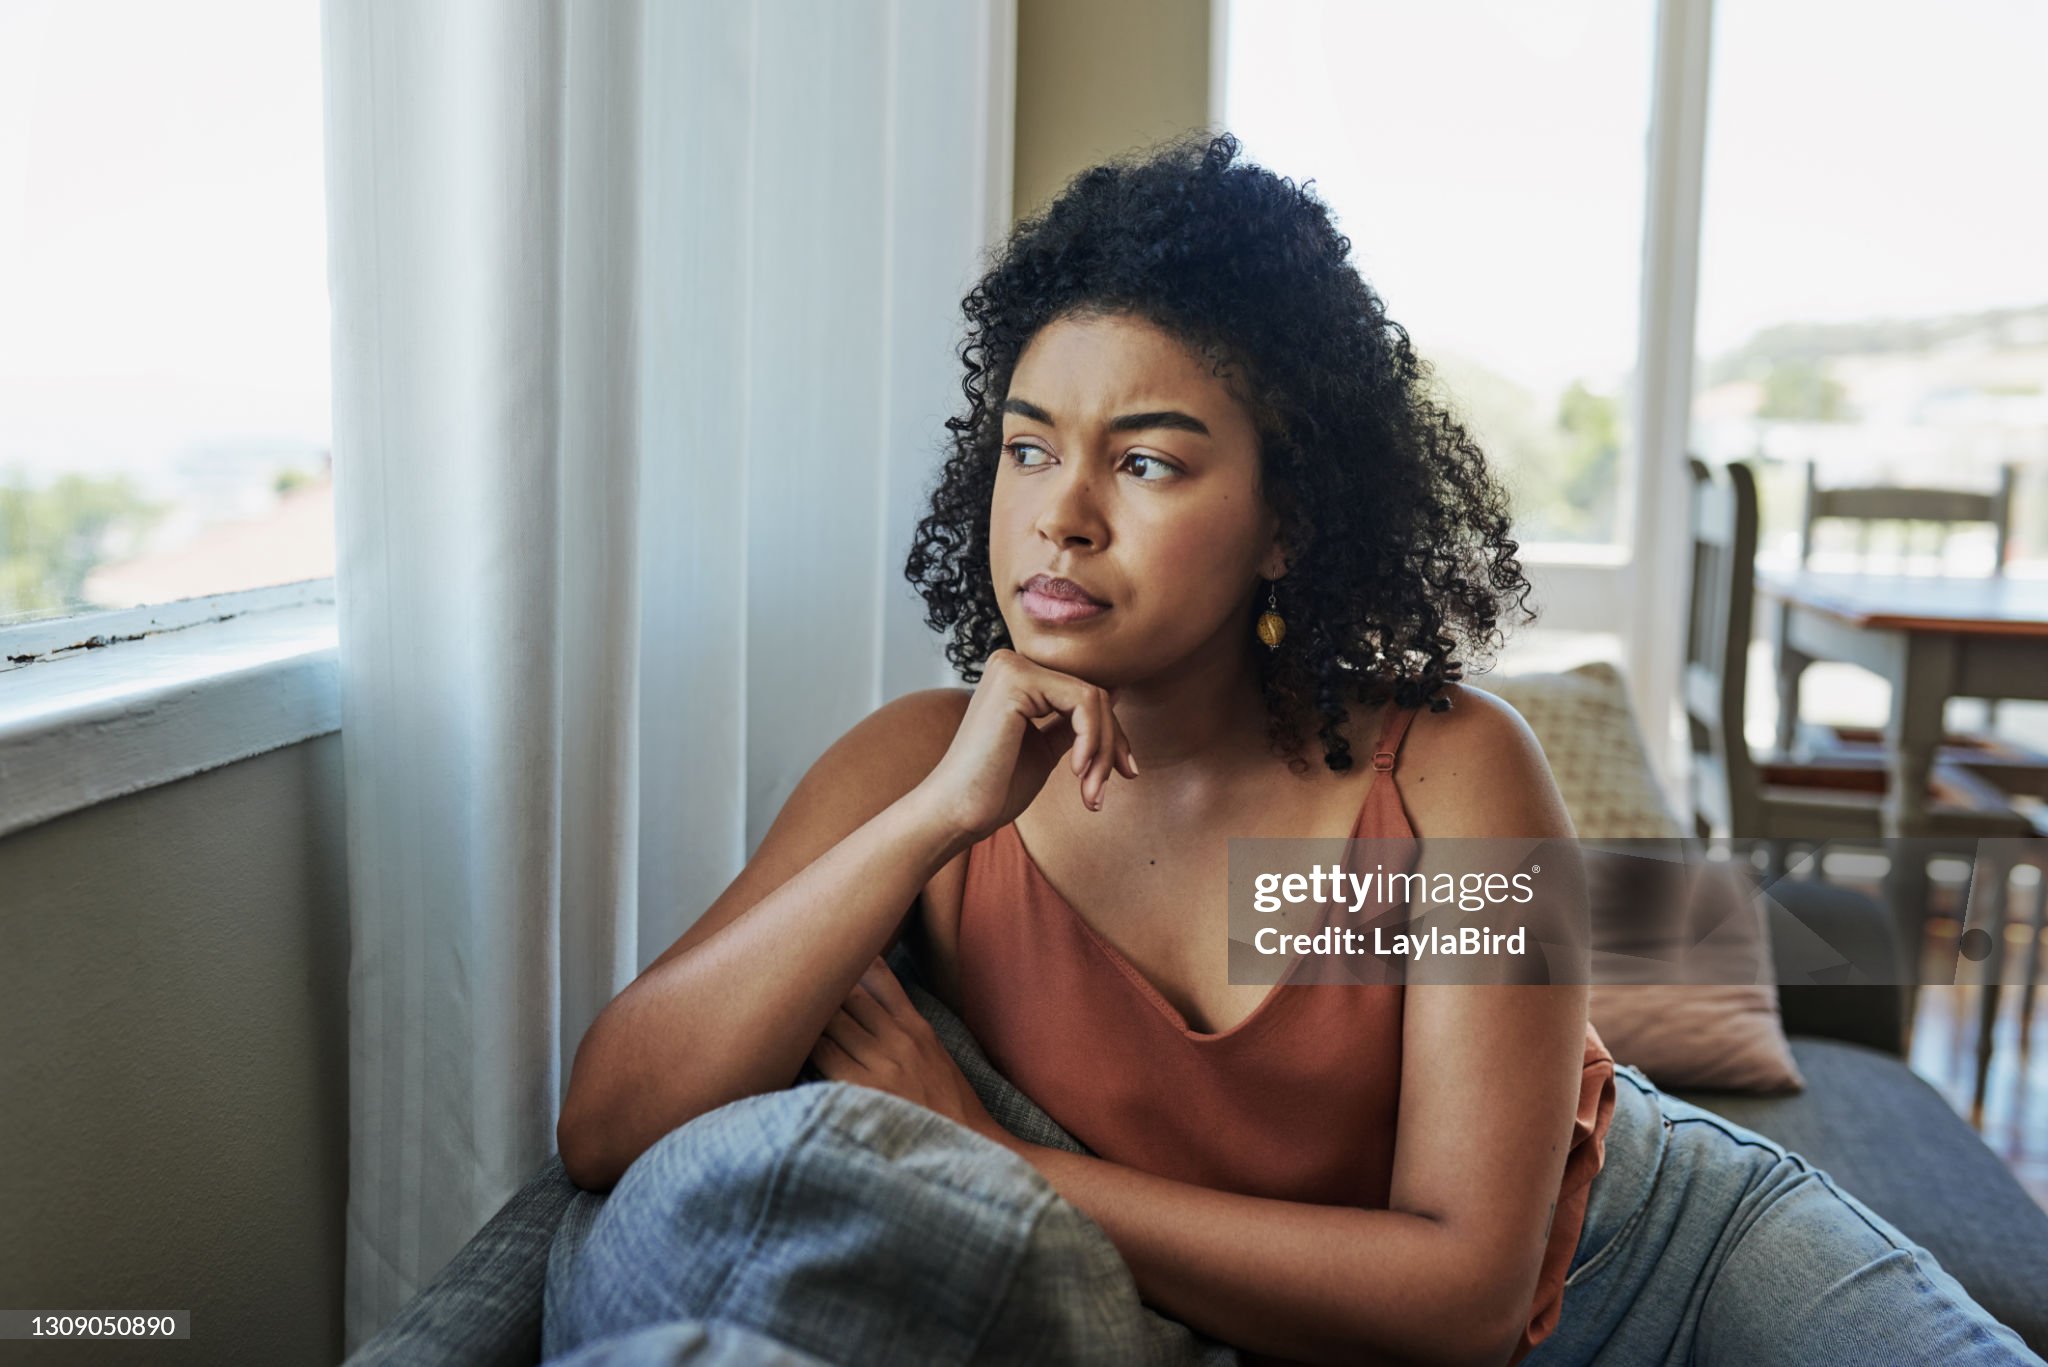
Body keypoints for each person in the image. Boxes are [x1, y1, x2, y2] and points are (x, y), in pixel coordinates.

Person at [550, 133, 2043, 1367]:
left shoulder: (1442, 776)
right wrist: (929, 824)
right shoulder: (920, 774)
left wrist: (977, 1153)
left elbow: (1461, 1297)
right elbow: (609, 1126)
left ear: (1291, 522)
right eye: (1026, 446)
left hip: (1667, 1267)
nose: (1062, 512)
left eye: (1145, 460)